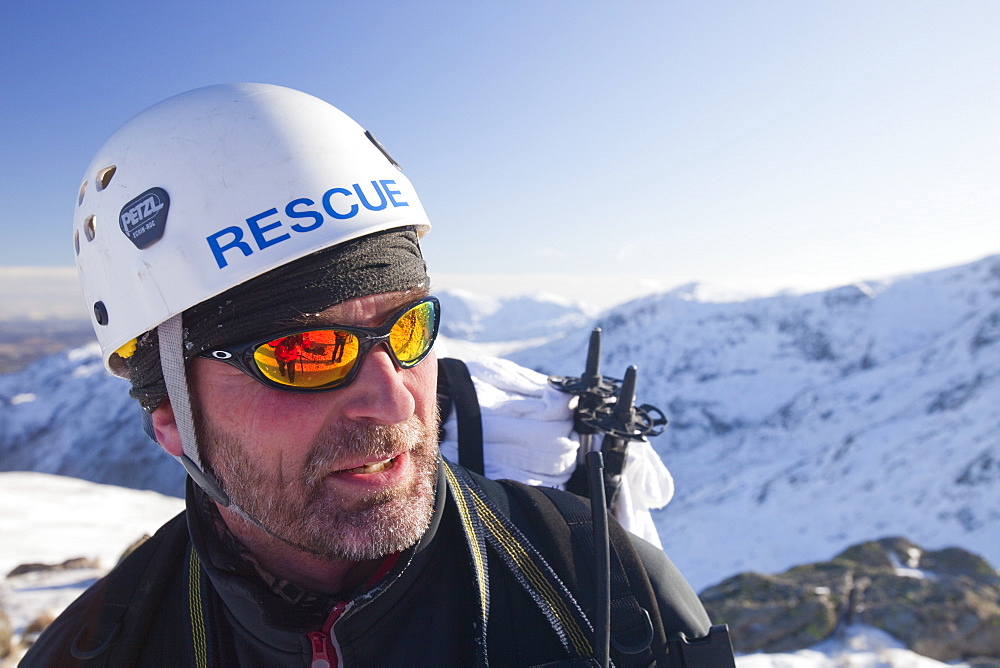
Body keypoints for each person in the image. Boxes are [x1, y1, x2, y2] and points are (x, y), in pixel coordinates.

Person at [23, 84, 731, 666]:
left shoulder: (603, 585)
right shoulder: (98, 651)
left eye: (408, 329)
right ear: (170, 418)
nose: (394, 400)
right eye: (305, 354)